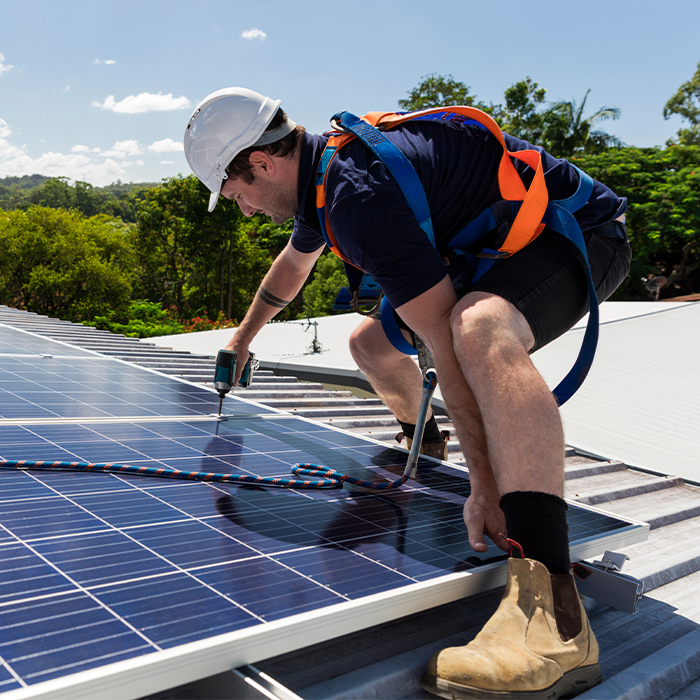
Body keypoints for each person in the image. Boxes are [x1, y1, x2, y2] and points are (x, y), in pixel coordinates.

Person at [184, 87, 631, 699]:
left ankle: (552, 612)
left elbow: (444, 349)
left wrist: (487, 486)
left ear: (261, 162)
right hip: (493, 253)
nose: (243, 209)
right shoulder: (321, 180)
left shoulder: (356, 196)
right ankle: (424, 443)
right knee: (370, 345)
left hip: (577, 236)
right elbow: (290, 269)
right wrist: (240, 342)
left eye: (237, 194)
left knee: (477, 329)